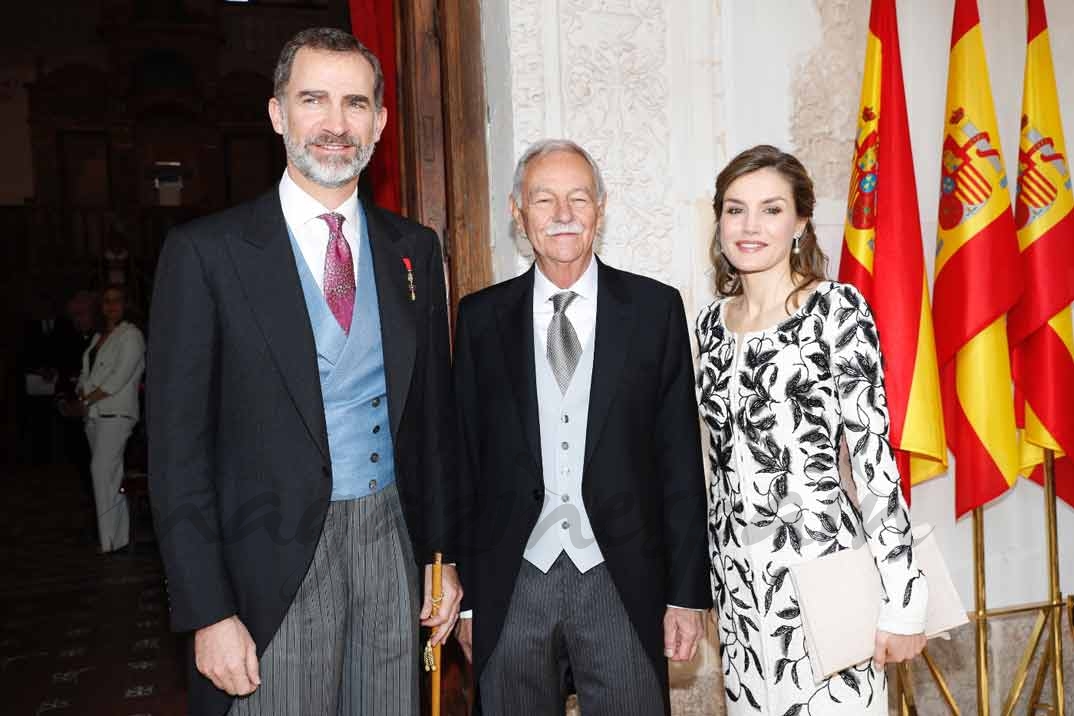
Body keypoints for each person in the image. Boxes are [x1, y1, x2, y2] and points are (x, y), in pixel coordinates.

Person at [147, 28, 461, 716]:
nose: (335, 124)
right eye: (313, 99)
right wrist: (208, 611)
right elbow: (176, 454)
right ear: (277, 114)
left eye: (355, 103)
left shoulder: (414, 250)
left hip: (391, 552)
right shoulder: (206, 254)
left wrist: (442, 563)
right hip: (269, 572)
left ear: (379, 122)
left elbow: (433, 423)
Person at [453, 139, 711, 715]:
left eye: (579, 198)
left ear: (601, 208)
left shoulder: (654, 311)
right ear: (519, 216)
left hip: (623, 579)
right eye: (544, 200)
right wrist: (469, 602)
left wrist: (686, 594)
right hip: (512, 579)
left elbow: (679, 463)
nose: (563, 214)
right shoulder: (479, 319)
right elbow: (464, 464)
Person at [695, 145, 927, 714]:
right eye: (735, 209)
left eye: (771, 210)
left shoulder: (836, 310)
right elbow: (718, 468)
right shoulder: (706, 326)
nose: (750, 226)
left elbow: (874, 461)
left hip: (827, 575)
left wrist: (903, 601)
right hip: (740, 592)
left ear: (801, 222)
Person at [77, 284, 145, 553]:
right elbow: (86, 373)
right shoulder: (98, 337)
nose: (110, 306)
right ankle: (117, 538)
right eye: (106, 301)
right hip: (94, 414)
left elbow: (120, 376)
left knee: (101, 471)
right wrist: (83, 393)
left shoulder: (132, 335)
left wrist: (89, 397)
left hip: (116, 413)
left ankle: (108, 542)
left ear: (126, 304)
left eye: (116, 301)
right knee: (109, 476)